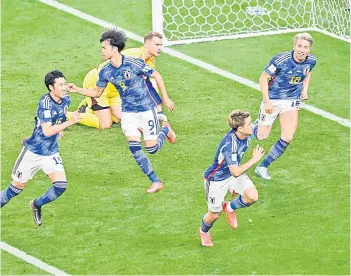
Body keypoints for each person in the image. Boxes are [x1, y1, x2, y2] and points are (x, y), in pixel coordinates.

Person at [68, 29, 176, 193]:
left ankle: (165, 129)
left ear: (114, 48)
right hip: (128, 113)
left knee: (151, 149)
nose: (102, 51)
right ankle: (155, 181)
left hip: (146, 110)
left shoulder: (134, 63)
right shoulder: (106, 71)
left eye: (104, 47)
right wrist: (77, 89)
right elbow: (97, 92)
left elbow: (157, 76)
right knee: (134, 146)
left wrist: (165, 98)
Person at [0, 70, 81, 226]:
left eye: (65, 83)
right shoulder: (45, 103)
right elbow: (47, 131)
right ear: (51, 87)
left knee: (60, 186)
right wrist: (70, 122)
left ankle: (36, 204)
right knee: (16, 188)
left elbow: (59, 118)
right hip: (33, 152)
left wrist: (60, 129)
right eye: (61, 84)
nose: (64, 87)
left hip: (50, 152)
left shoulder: (66, 99)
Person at [254, 32, 317, 180]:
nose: (302, 50)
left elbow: (307, 72)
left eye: (306, 47)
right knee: (262, 136)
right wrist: (267, 101)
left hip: (291, 100)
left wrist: (304, 89)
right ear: (294, 46)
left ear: (309, 49)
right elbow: (263, 78)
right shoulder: (281, 59)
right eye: (299, 46)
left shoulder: (312, 60)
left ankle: (262, 166)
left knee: (288, 136)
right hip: (273, 99)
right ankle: (253, 126)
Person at [74, 31, 168, 129]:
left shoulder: (150, 61)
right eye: (157, 44)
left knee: (127, 119)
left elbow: (147, 84)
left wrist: (158, 109)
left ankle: (91, 107)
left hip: (115, 88)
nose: (160, 48)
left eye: (161, 45)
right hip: (96, 83)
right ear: (147, 44)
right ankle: (68, 115)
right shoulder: (134, 56)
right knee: (105, 124)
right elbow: (107, 68)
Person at [199, 110, 265, 247]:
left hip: (232, 173)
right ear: (240, 128)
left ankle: (229, 207)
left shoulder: (246, 134)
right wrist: (254, 160)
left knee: (252, 196)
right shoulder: (230, 145)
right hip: (217, 179)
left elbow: (262, 124)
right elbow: (235, 172)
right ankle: (203, 232)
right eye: (249, 123)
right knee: (214, 215)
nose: (252, 125)